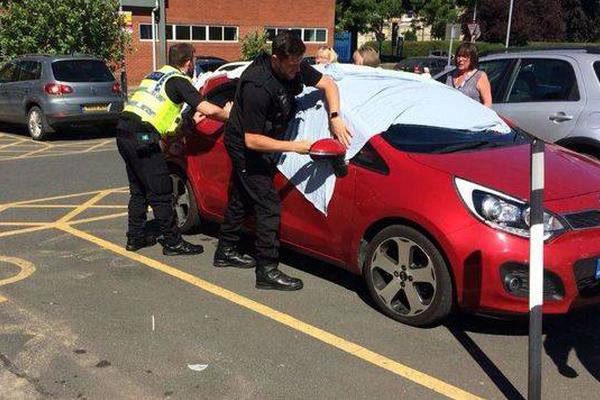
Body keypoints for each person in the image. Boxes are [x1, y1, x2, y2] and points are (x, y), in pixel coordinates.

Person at [213, 31, 351, 291]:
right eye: (291, 66)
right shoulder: (257, 86)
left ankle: (225, 250)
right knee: (268, 205)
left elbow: (329, 84)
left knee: (241, 196)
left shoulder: (295, 66)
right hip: (245, 147)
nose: (296, 70)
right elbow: (252, 140)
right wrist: (296, 147)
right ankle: (266, 270)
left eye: (299, 64)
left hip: (262, 140)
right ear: (276, 59)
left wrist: (334, 116)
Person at [117, 43, 231, 255]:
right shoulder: (179, 80)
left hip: (124, 132)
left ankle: (135, 237)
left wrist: (184, 123)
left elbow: (163, 113)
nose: (194, 65)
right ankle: (172, 242)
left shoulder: (156, 75)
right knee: (161, 190)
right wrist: (231, 115)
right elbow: (208, 109)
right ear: (188, 62)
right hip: (143, 136)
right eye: (194, 61)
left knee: (139, 189)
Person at [445, 42, 492, 107]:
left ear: (472, 59)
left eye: (464, 57)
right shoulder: (450, 76)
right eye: (459, 56)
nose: (460, 59)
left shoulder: (479, 76)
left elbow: (488, 104)